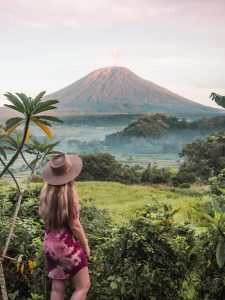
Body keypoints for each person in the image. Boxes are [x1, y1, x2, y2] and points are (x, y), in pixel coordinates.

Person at [39, 153, 91, 300]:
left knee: (57, 289)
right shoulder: (69, 194)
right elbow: (74, 224)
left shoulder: (46, 193)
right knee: (83, 286)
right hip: (66, 247)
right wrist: (85, 246)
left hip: (50, 244)